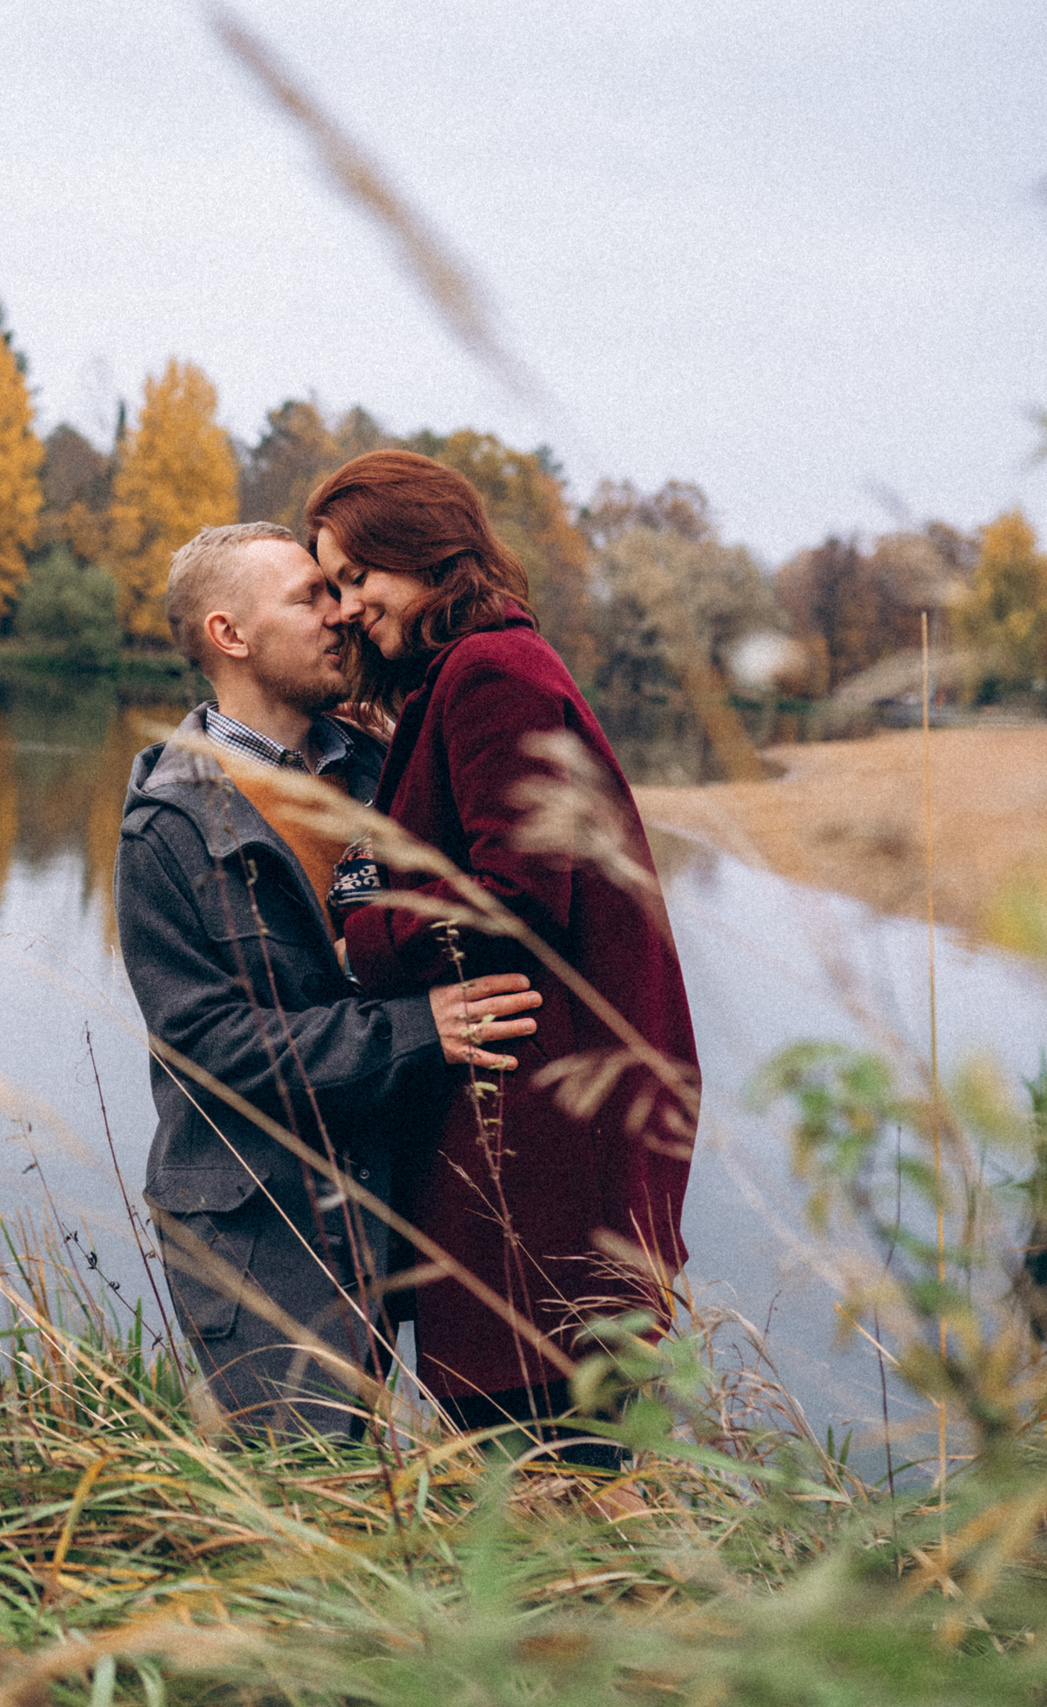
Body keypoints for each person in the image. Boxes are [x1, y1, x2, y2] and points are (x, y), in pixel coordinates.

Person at [306, 450, 700, 1464]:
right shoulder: (467, 674)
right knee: (548, 1458)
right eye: (333, 587)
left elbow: (520, 890)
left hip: (543, 1135)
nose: (346, 608)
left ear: (427, 552)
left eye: (359, 576)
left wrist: (365, 933)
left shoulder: (493, 673)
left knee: (546, 1451)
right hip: (533, 1116)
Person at [115, 521, 543, 1437]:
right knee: (295, 1487)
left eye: (339, 592)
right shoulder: (167, 828)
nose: (340, 614)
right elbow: (213, 1046)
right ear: (231, 634)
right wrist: (423, 1028)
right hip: (257, 1225)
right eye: (308, 597)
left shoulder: (383, 769)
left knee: (439, 1479)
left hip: (398, 1197)